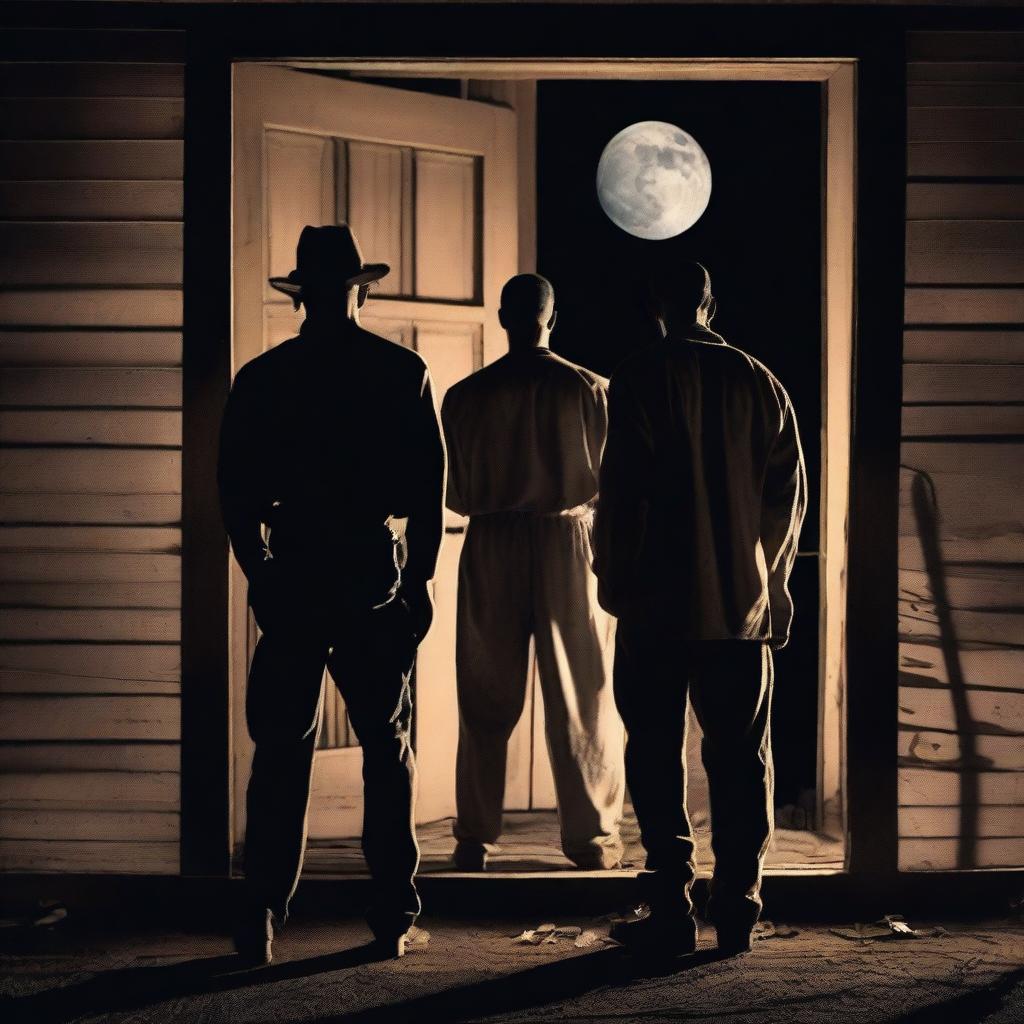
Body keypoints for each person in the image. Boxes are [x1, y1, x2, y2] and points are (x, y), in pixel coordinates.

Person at [218, 224, 446, 963]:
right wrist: (418, 582)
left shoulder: (262, 378)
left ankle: (259, 914)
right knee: (387, 746)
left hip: (295, 574)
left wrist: (259, 567)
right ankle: (391, 913)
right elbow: (427, 492)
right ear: (361, 289)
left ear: (300, 295)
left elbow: (233, 490)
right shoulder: (399, 371)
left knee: (280, 751)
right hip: (369, 574)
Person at [593, 262, 806, 958]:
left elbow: (623, 486)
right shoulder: (762, 381)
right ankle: (740, 903)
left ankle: (672, 904)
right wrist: (772, 585)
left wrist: (612, 573)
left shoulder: (639, 375)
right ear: (712, 303)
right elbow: (787, 501)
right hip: (739, 606)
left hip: (657, 597)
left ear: (657, 302)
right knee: (743, 757)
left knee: (654, 751)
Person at [440, 273, 625, 872]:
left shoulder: (466, 397)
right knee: (583, 691)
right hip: (568, 538)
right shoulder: (591, 389)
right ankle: (591, 836)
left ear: (501, 317)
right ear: (553, 317)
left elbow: (457, 491)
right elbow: (613, 484)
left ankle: (475, 834)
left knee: (485, 686)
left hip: (491, 537)